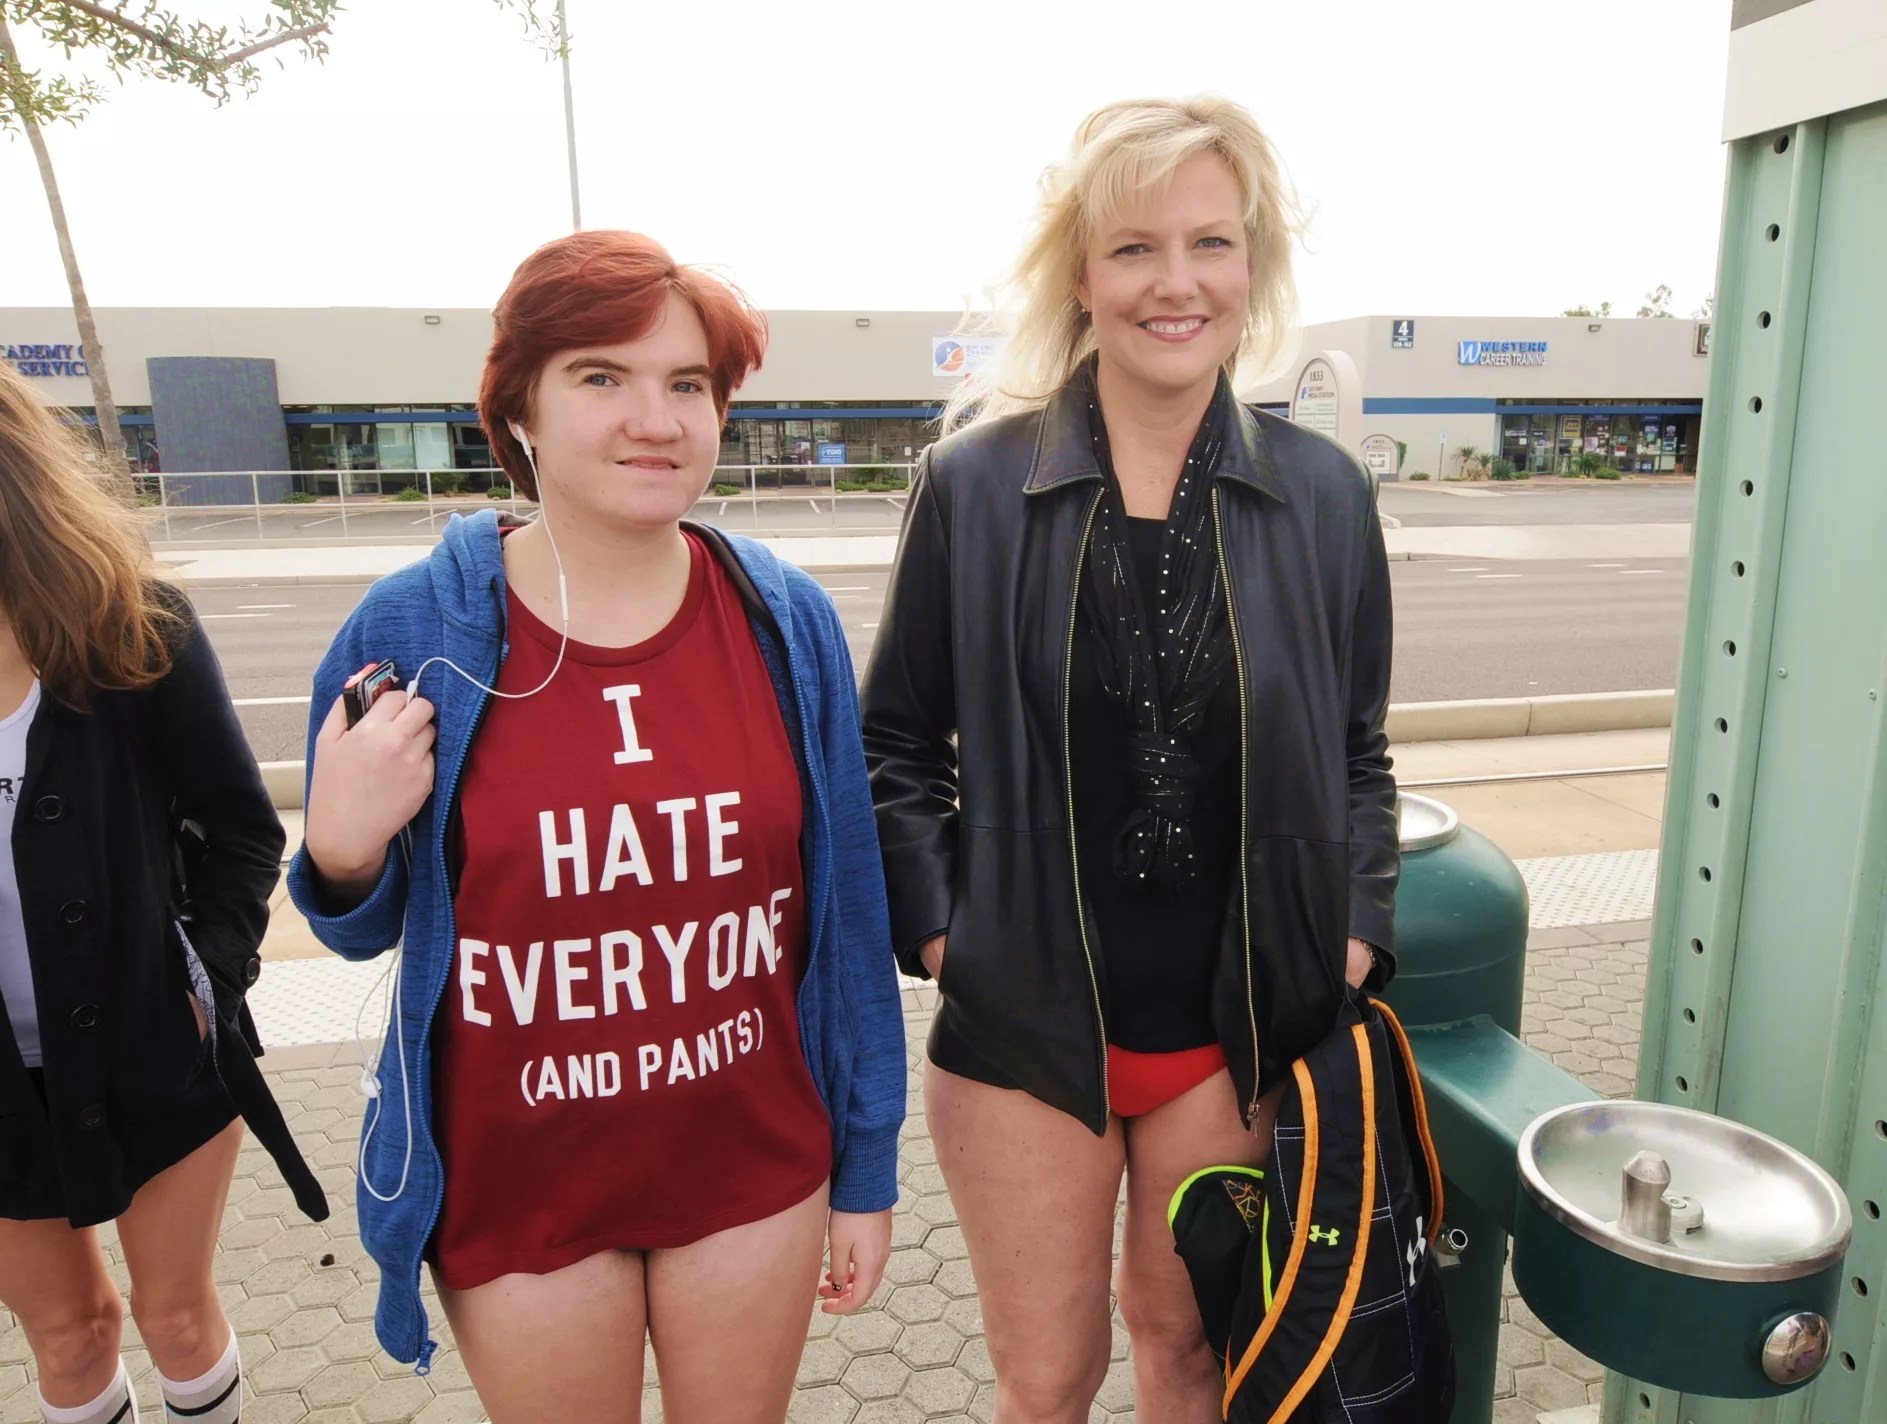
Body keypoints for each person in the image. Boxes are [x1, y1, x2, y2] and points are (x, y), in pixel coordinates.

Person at [288, 230, 905, 1423]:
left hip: (751, 1165)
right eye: (601, 376)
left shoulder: (784, 618)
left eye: (689, 384)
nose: (655, 419)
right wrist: (341, 846)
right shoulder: (415, 628)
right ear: (519, 405)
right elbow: (357, 924)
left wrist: (867, 1164)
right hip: (519, 1186)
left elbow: (848, 918)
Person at [862, 96, 1398, 1423]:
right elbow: (893, 743)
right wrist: (948, 939)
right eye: (1134, 248)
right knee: (1047, 1379)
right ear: (1082, 278)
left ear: (1252, 268)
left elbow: (1357, 751)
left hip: (1237, 1033)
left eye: (1211, 243)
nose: (1176, 282)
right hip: (1024, 1028)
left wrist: (1343, 942)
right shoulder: (973, 485)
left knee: (1190, 1355)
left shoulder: (1325, 496)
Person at [0, 361, 315, 1424]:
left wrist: (210, 978)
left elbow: (243, 829)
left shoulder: (133, 623)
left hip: (158, 1042)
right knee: (69, 1332)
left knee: (174, 1315)